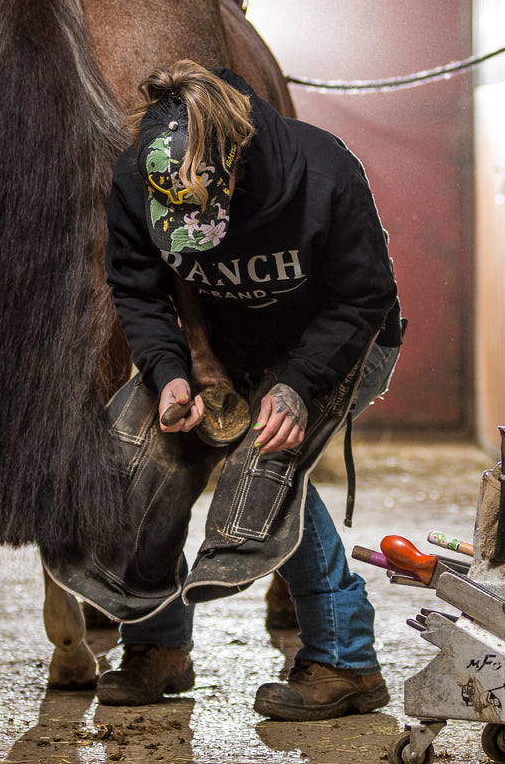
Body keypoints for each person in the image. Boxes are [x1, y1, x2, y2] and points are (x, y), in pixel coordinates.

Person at [96, 59, 404, 721]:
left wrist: (296, 386)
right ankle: (157, 649)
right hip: (228, 346)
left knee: (266, 468)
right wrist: (169, 374)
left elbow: (364, 297)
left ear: (239, 164)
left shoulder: (320, 172)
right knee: (141, 455)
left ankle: (345, 662)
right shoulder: (134, 179)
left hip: (341, 341)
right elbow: (140, 290)